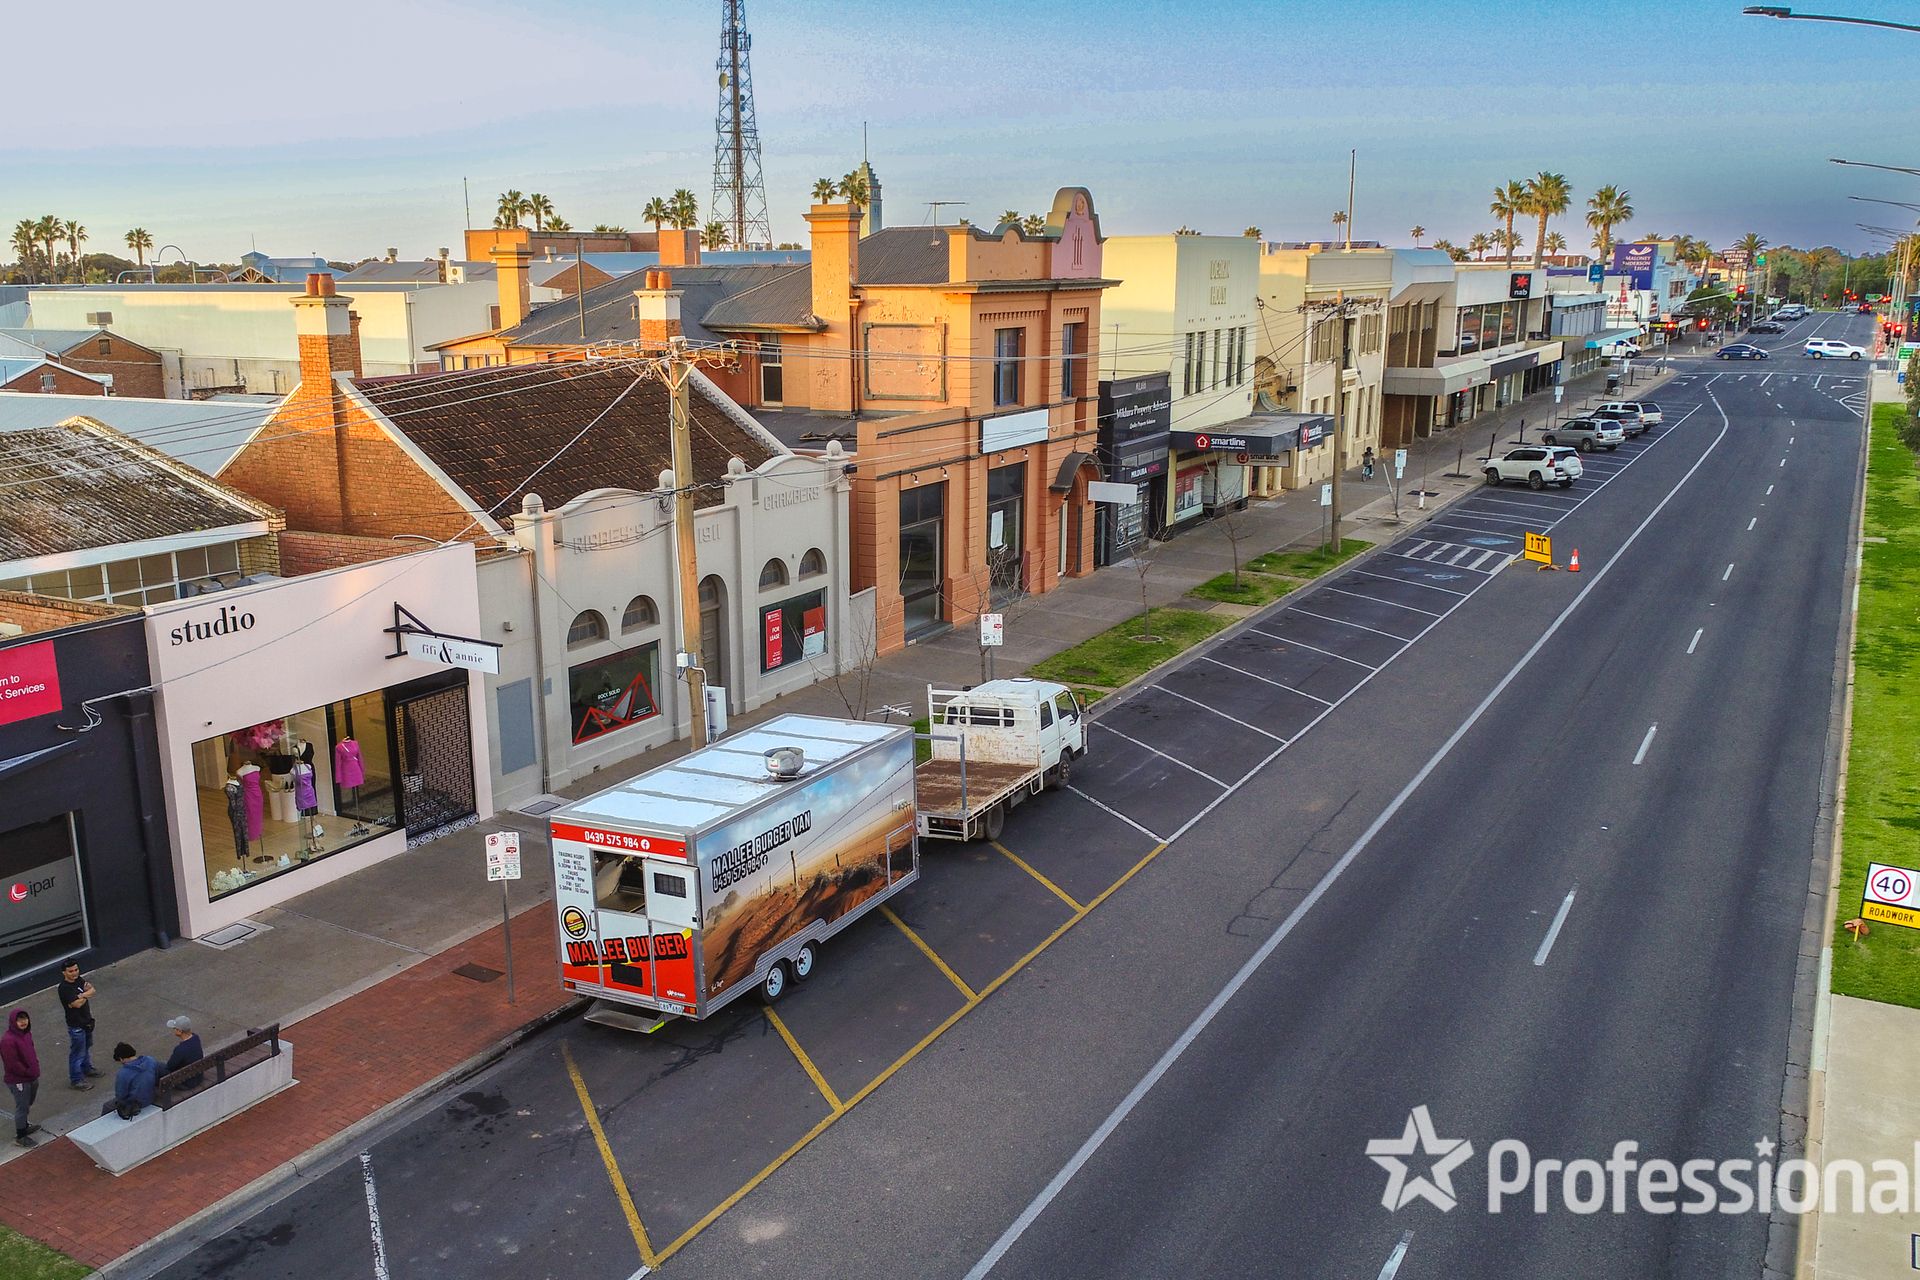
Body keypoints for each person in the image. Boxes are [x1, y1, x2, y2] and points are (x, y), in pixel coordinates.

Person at [56, 962, 100, 1091]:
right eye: (71, 971)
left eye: (76, 970)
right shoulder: (64, 988)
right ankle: (76, 1080)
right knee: (77, 1053)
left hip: (87, 1022)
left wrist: (81, 996)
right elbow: (76, 1004)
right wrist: (86, 994)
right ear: (64, 972)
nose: (74, 973)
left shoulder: (79, 980)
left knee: (86, 1047)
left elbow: (92, 990)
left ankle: (87, 1069)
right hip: (76, 1025)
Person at [1, 1009, 41, 1148]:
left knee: (28, 1102)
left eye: (25, 1018)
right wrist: (27, 1072)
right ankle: (21, 1136)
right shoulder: (8, 1041)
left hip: (31, 1076)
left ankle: (24, 1125)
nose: (23, 1022)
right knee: (22, 1107)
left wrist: (34, 1067)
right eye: (19, 1020)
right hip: (19, 1080)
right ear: (14, 1021)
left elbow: (31, 1051)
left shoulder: (26, 1034)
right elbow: (12, 1063)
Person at [100, 1043, 158, 1119]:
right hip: (152, 1096)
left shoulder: (123, 1073)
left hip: (136, 1103)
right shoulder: (150, 1060)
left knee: (107, 1106)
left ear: (121, 1059)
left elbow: (121, 1095)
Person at [162, 1016, 203, 1086]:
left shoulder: (180, 1050)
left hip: (185, 1082)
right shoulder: (196, 1038)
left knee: (154, 1065)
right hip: (198, 1077)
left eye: (174, 1028)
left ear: (180, 1031)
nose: (173, 1030)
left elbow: (169, 1067)